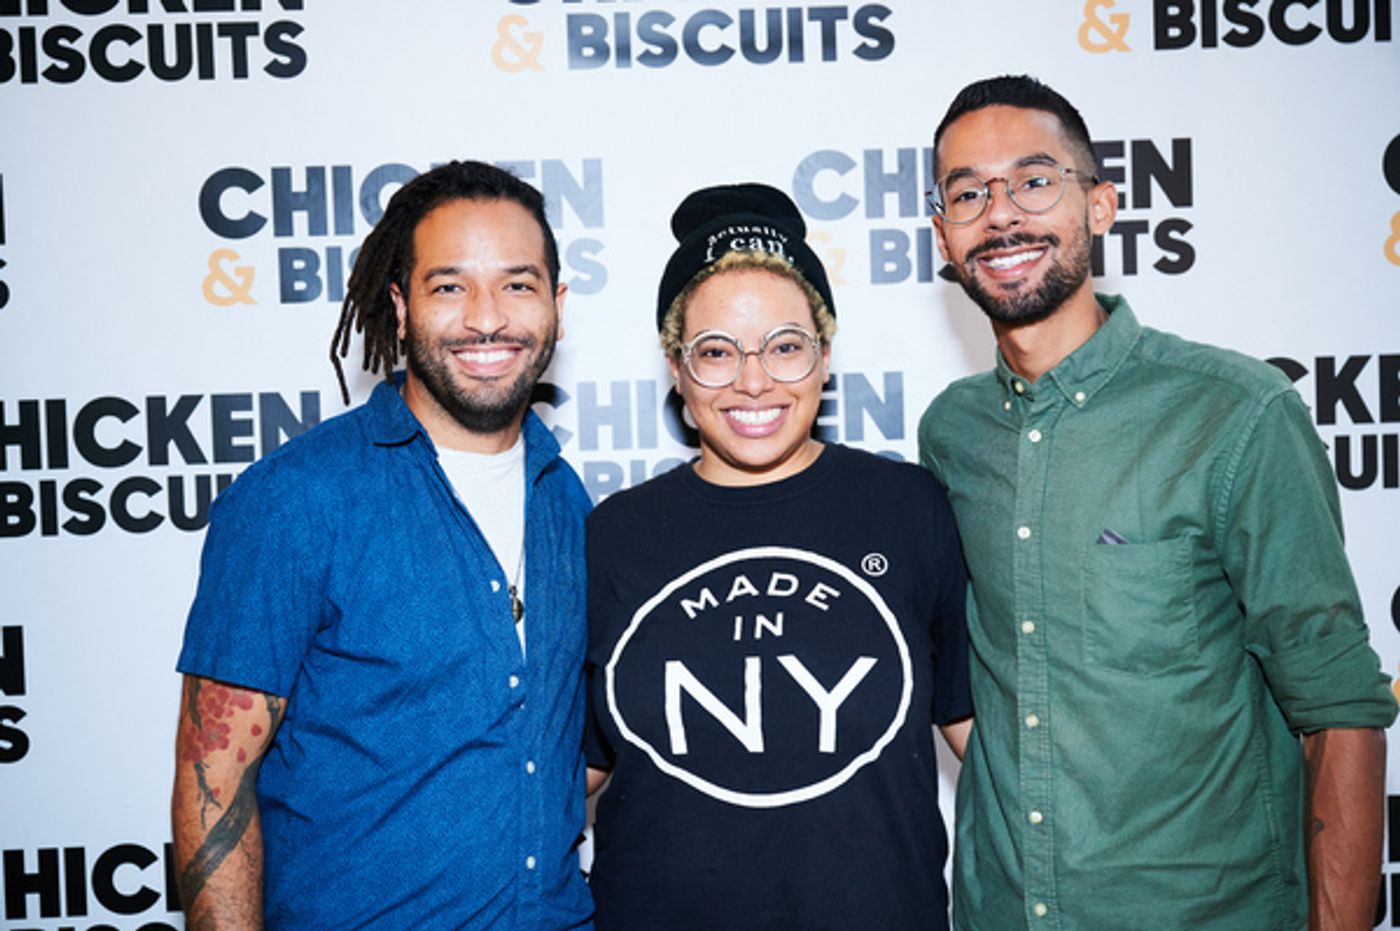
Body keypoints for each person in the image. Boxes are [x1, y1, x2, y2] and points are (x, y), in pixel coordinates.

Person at [918, 74, 1397, 930]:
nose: (1001, 215)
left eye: (1034, 181)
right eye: (968, 193)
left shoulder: (1236, 413)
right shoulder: (951, 434)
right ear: (942, 236)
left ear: (1100, 205)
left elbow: (1339, 709)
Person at [171, 160, 594, 929]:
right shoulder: (295, 500)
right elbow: (213, 782)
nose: (486, 317)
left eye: (518, 284)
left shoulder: (567, 500)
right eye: (449, 285)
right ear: (399, 308)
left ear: (557, 308)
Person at [583, 182, 973, 929]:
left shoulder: (907, 507)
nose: (753, 380)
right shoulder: (614, 535)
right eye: (716, 352)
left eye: (785, 347)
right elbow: (575, 769)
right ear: (675, 366)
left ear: (825, 356)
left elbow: (985, 741)